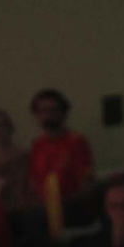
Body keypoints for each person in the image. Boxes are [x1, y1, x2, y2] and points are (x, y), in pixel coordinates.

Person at [27, 89, 96, 219]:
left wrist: (59, 203)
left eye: (53, 110)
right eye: (42, 111)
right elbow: (33, 183)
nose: (48, 115)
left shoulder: (77, 142)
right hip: (43, 210)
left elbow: (88, 185)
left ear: (63, 112)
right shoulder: (37, 145)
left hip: (72, 209)